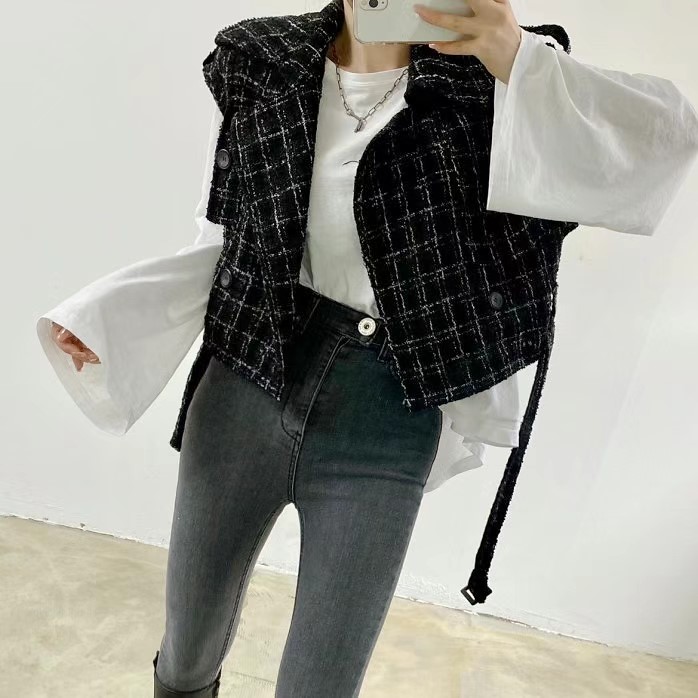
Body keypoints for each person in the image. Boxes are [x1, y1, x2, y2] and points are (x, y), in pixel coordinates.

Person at [36, 1, 698, 696]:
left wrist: (517, 57)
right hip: (243, 388)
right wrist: (108, 317)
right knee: (185, 659)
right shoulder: (264, 61)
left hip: (384, 420)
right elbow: (228, 242)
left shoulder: (492, 84)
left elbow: (667, 135)